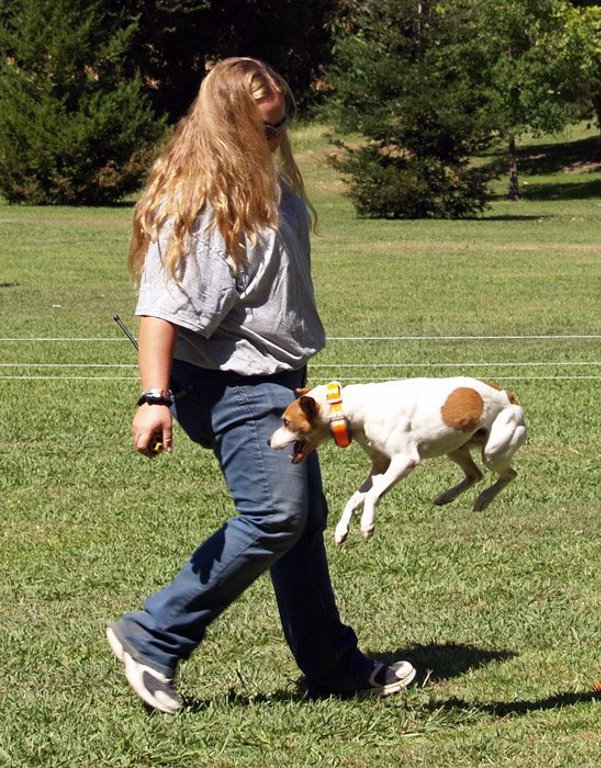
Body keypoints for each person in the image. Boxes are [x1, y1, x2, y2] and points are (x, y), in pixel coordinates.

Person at [106, 56, 416, 714]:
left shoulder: (268, 187)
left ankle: (332, 666)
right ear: (230, 125)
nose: (278, 136)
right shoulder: (199, 204)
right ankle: (152, 634)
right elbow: (159, 306)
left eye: (283, 123)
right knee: (275, 515)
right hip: (231, 385)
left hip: (283, 381)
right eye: (264, 127)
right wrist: (153, 398)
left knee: (302, 525)